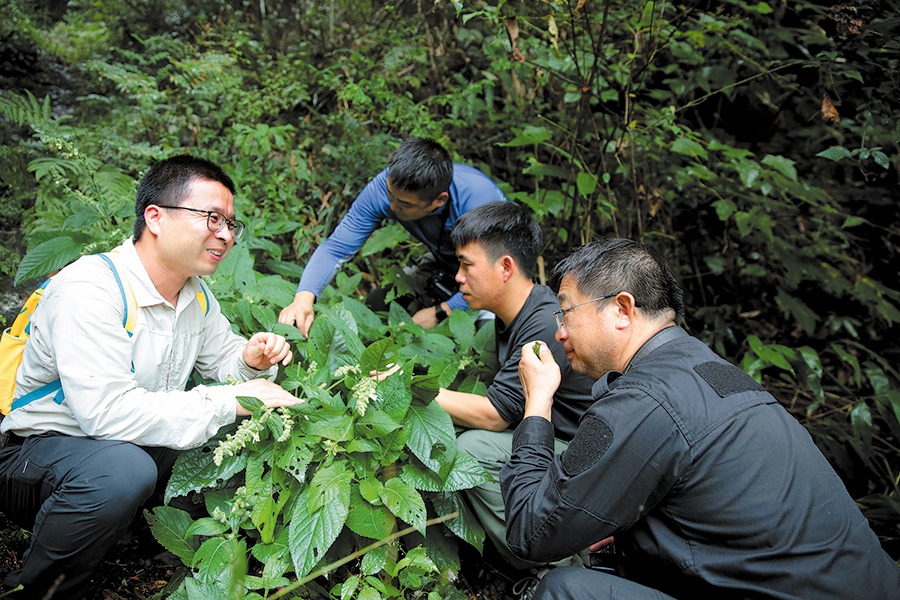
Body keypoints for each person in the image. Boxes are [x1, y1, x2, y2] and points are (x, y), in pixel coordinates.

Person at [502, 238, 900, 599]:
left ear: (622, 309)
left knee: (564, 591)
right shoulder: (709, 369)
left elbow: (531, 533)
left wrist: (538, 403)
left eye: (566, 312)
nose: (560, 334)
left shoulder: (645, 398)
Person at [0, 155, 301, 600]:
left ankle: (149, 541)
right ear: (155, 217)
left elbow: (223, 359)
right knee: (125, 469)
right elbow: (105, 415)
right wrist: (233, 398)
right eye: (212, 218)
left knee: (228, 436)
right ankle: (37, 590)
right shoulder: (91, 289)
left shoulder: (194, 293)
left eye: (232, 224)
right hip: (35, 456)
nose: (225, 235)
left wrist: (252, 361)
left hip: (114, 449)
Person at [436, 202, 595, 571]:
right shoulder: (517, 315)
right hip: (554, 444)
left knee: (472, 449)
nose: (458, 277)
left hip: (582, 455)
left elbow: (495, 417)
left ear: (505, 267)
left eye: (466, 265)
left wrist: (413, 388)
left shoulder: (542, 324)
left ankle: (555, 570)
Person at [278, 136, 507, 336]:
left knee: (489, 339)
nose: (392, 205)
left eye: (405, 203)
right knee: (376, 305)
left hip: (493, 275)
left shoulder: (479, 200)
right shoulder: (385, 188)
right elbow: (337, 247)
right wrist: (304, 298)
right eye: (390, 194)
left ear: (439, 200)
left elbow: (492, 277)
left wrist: (442, 311)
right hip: (443, 263)